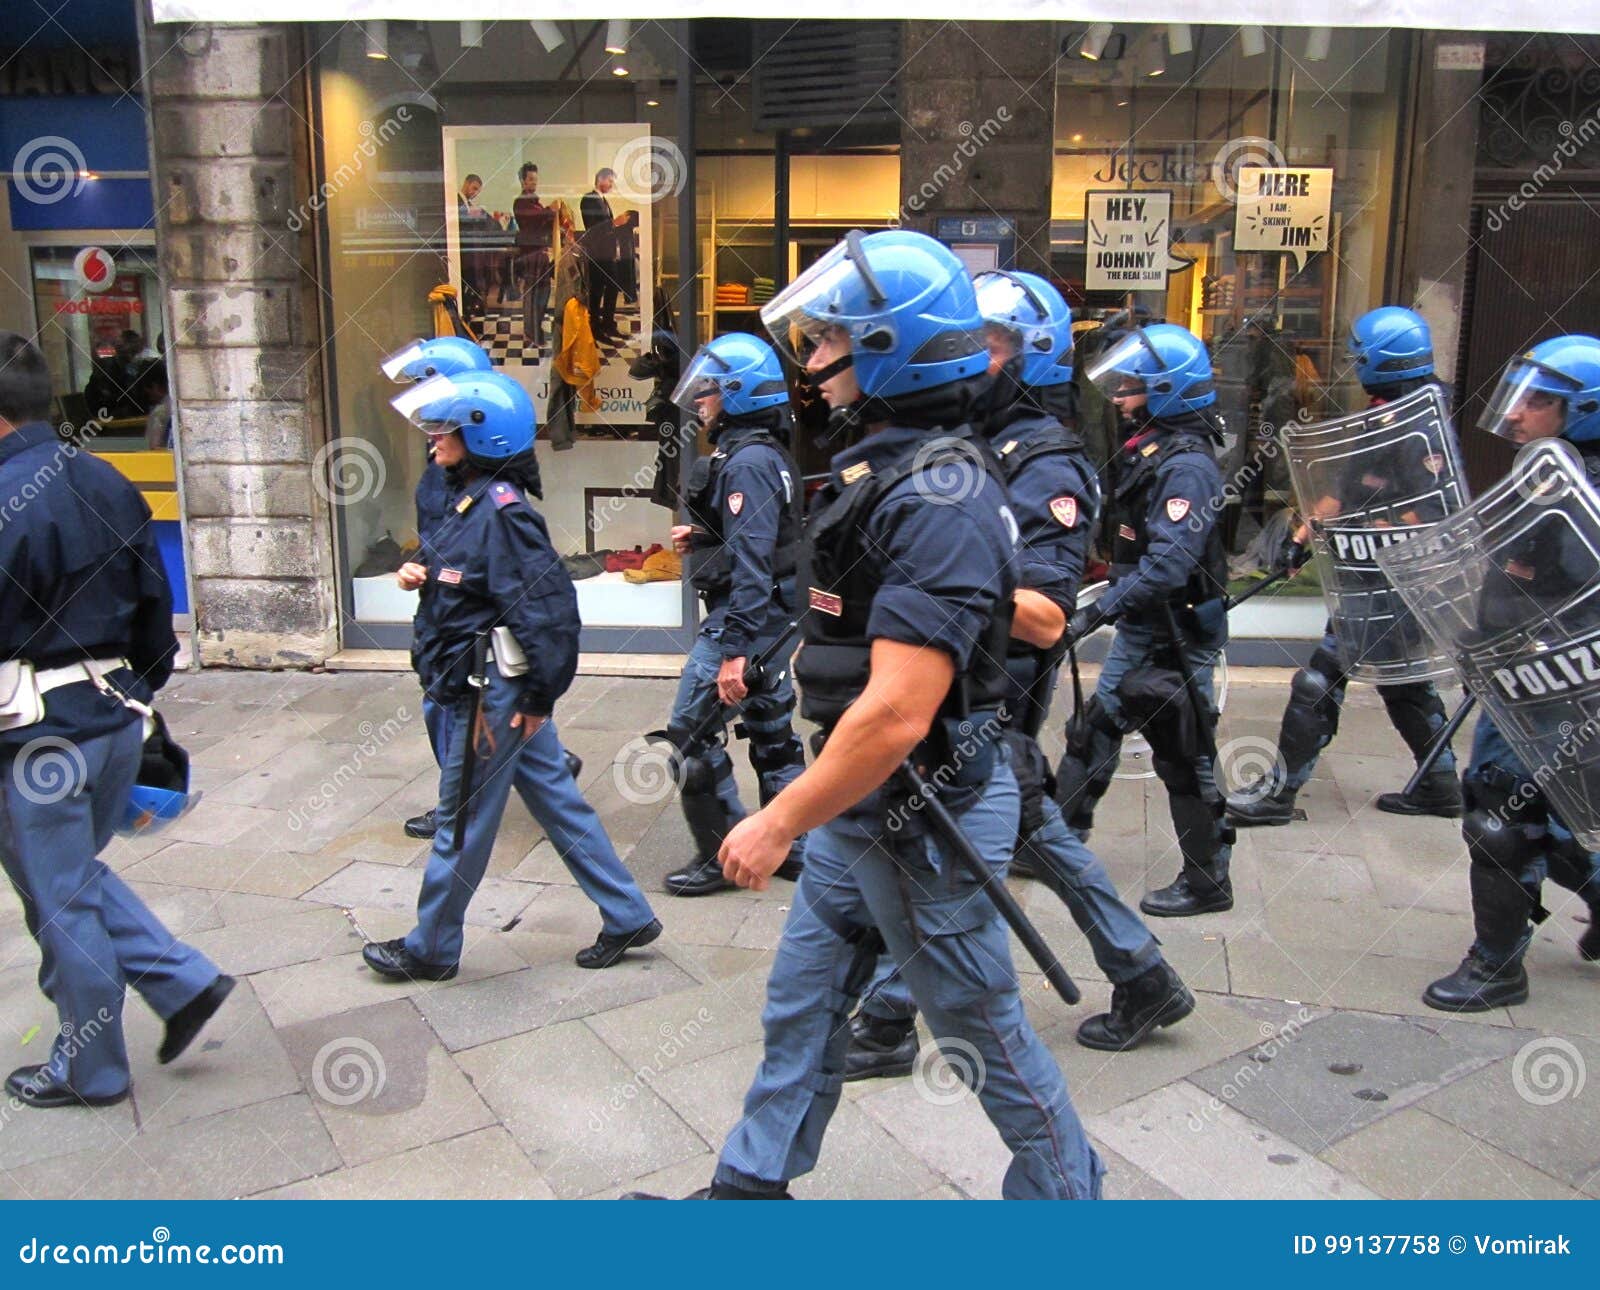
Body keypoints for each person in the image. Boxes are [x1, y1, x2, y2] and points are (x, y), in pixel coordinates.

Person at [630, 231, 1103, 1200]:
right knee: (801, 1006)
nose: (808, 362)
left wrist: (774, 819)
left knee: (981, 1032)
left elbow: (894, 714)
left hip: (923, 816)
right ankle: (748, 1193)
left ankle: (1068, 1202)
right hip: (865, 817)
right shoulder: (883, 467)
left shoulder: (941, 490)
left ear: (885, 347)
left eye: (826, 342)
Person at [846, 271, 1193, 1074]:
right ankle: (1144, 974)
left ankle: (891, 1018)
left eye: (991, 344)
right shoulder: (980, 443)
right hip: (965, 686)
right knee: (1029, 828)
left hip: (995, 693)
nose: (972, 358)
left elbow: (1047, 615)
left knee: (935, 847)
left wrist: (944, 576)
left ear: (1032, 355)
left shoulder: (1046, 466)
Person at [0, 332, 234, 1109]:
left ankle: (90, 1068)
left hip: (34, 738)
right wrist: (134, 699)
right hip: (111, 722)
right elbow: (156, 620)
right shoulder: (104, 480)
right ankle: (181, 981)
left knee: (61, 899)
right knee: (69, 880)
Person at [367, 367, 661, 978]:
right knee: (560, 804)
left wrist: (537, 697)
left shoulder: (502, 512)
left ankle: (430, 949)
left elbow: (550, 613)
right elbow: (469, 575)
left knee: (462, 823)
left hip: (494, 696)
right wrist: (421, 570)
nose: (432, 438)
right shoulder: (469, 501)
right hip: (499, 689)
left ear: (481, 435)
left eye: (443, 428)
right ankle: (628, 912)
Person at [1228, 307, 1463, 826]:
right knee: (1404, 685)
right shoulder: (1393, 410)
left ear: (1383, 360)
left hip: (1390, 580)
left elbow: (1424, 514)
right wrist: (1300, 537)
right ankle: (1442, 787)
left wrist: (1362, 533)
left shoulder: (1418, 426)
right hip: (1372, 577)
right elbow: (1344, 490)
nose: (1354, 364)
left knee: (1319, 681)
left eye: (1360, 355)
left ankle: (1278, 794)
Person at [1423, 333, 1600, 1011]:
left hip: (1553, 688)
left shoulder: (1582, 496)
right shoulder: (1546, 476)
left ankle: (1498, 966)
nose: (1517, 414)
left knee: (1500, 814)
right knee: (1546, 818)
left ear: (1579, 410)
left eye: (1536, 402)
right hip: (1511, 679)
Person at [1053, 322, 1233, 918]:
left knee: (1186, 753)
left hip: (1177, 633)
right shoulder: (1153, 448)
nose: (1120, 395)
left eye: (1133, 384)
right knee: (1097, 726)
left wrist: (1097, 611)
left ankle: (1209, 881)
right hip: (1147, 624)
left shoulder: (1187, 467)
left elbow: (1170, 566)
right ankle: (1054, 842)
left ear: (1168, 392)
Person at [658, 332, 807, 897]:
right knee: (772, 732)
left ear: (739, 395)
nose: (700, 401)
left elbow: (752, 563)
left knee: (689, 734)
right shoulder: (763, 455)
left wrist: (734, 653)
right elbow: (763, 543)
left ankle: (722, 854)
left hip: (744, 623)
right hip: (772, 621)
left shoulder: (746, 463)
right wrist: (704, 535)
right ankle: (791, 844)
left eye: (710, 392)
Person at [511, 163, 557, 348]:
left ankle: (535, 329)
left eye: (536, 180)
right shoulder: (521, 202)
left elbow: (542, 220)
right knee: (533, 296)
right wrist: (550, 210)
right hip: (531, 255)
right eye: (530, 179)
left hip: (540, 254)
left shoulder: (534, 202)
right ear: (523, 181)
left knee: (542, 295)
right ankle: (531, 333)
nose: (534, 183)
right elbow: (535, 218)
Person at [580, 168, 627, 342]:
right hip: (597, 253)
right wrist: (614, 223)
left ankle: (607, 324)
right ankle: (595, 328)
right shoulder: (589, 199)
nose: (612, 185)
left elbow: (606, 227)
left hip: (607, 253)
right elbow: (592, 228)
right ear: (601, 179)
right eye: (610, 181)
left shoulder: (603, 200)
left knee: (612, 286)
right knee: (597, 291)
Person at [84, 329, 147, 420]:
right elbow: (108, 398)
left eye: (134, 353)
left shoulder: (131, 367)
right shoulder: (107, 368)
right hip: (106, 415)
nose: (131, 357)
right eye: (128, 353)